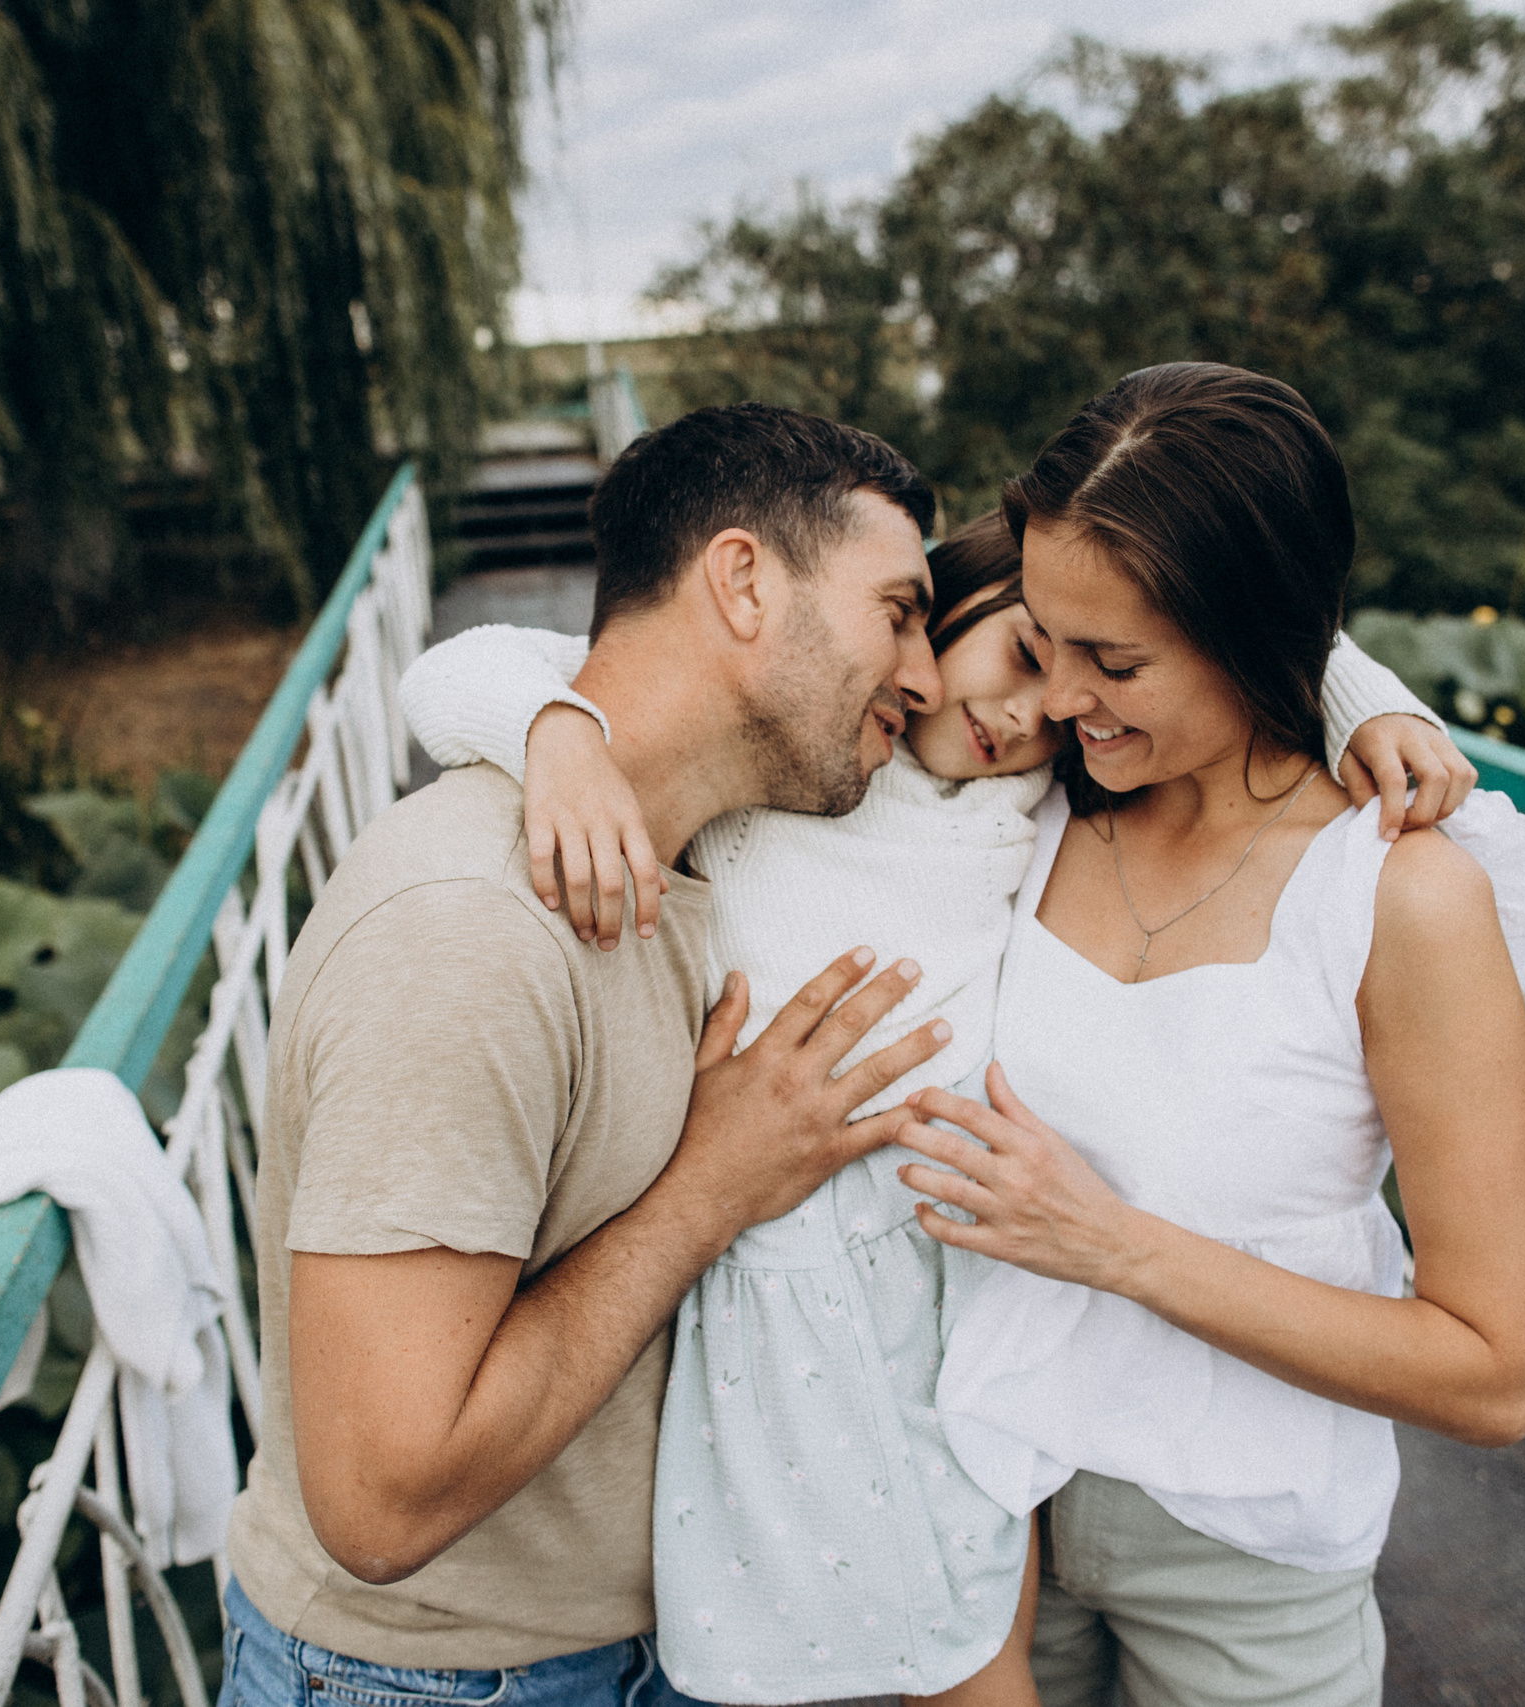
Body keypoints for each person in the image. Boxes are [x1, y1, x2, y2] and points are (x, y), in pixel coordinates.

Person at [396, 509, 1476, 1706]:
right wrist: (559, 739)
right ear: (940, 607)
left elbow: (1207, 641)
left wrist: (1369, 701)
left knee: (966, 1653)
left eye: (1068, 701)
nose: (1032, 714)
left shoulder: (1039, 816)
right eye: (1020, 655)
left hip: (959, 1303)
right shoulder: (792, 767)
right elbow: (457, 666)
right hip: (776, 1289)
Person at [220, 402, 969, 1707]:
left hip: (645, 1643)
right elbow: (379, 1499)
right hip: (434, 1679)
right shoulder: (471, 930)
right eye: (900, 610)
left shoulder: (712, 851)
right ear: (742, 580)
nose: (932, 675)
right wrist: (711, 1188)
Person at [895, 363, 1525, 1707]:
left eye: (1116, 661)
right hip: (984, 1510)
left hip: (1243, 1550)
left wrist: (1113, 1244)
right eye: (1044, 636)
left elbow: (1493, 1373)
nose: (1062, 700)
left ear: (1256, 636)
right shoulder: (1028, 806)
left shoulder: (1405, 897)